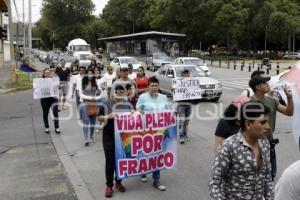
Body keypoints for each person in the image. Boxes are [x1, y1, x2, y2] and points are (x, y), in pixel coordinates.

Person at [209, 101, 274, 199]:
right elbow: (214, 182)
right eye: (263, 122)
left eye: (267, 122)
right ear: (248, 124)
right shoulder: (229, 147)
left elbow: (267, 177)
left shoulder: (265, 143)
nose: (268, 127)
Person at [249, 75, 294, 179]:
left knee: (270, 175)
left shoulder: (271, 100)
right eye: (265, 83)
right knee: (255, 175)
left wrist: (289, 97)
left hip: (269, 143)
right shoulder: (248, 103)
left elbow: (289, 112)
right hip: (253, 144)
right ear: (258, 87)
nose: (268, 85)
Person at [98, 84, 132, 198]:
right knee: (110, 161)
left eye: (121, 91)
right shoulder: (106, 103)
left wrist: (136, 114)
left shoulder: (128, 105)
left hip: (123, 137)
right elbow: (99, 117)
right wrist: (108, 116)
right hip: (109, 136)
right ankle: (109, 185)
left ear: (125, 93)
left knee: (121, 160)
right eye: (117, 90)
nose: (119, 92)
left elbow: (134, 117)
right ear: (113, 91)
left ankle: (118, 182)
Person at [136, 76, 168, 191]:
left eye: (156, 85)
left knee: (158, 155)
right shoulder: (143, 97)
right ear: (148, 86)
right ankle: (143, 172)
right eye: (152, 85)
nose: (154, 87)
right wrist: (140, 112)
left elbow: (167, 111)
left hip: (160, 131)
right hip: (146, 131)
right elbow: (138, 109)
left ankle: (156, 180)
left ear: (158, 86)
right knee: (145, 153)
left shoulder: (164, 97)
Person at [79, 69, 102, 146]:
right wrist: (90, 97)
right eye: (88, 74)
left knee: (93, 122)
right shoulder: (82, 82)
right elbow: (80, 94)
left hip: (94, 104)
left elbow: (101, 93)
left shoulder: (95, 83)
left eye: (91, 74)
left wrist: (97, 97)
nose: (90, 76)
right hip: (85, 104)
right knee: (86, 122)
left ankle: (91, 136)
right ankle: (86, 138)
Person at [40, 68, 60, 134]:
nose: (48, 73)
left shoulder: (53, 79)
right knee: (45, 113)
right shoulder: (40, 81)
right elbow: (37, 89)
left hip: (53, 98)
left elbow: (57, 87)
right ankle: (47, 127)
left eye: (49, 72)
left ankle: (57, 128)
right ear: (44, 74)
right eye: (46, 73)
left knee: (55, 112)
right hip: (44, 99)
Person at [176, 69, 192, 144]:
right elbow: (174, 92)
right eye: (185, 74)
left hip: (189, 105)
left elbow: (195, 92)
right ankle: (181, 136)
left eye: (188, 74)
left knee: (187, 121)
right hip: (181, 105)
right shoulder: (178, 82)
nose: (187, 75)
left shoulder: (191, 83)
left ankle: (185, 135)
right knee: (182, 121)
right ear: (182, 75)